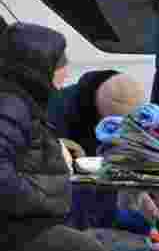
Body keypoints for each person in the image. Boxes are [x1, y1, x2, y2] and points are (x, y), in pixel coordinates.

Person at [0, 22, 122, 251]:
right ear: (36, 64)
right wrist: (39, 196)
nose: (65, 70)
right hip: (9, 228)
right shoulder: (10, 105)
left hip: (20, 222)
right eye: (59, 62)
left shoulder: (22, 100)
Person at [47, 70, 150, 230]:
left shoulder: (127, 92)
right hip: (69, 200)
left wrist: (138, 192)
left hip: (103, 200)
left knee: (142, 224)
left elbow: (123, 156)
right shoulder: (61, 112)